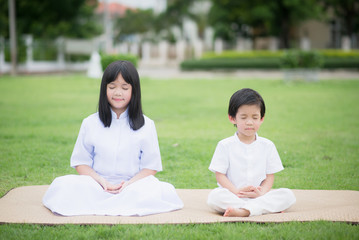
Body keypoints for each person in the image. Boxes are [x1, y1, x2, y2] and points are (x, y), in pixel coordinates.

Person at [43, 60, 183, 216]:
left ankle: (114, 202)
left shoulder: (147, 125)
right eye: (112, 87)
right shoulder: (90, 123)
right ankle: (114, 202)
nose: (118, 93)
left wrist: (129, 184)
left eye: (124, 88)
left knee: (160, 190)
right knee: (63, 185)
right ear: (104, 89)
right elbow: (81, 162)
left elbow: (151, 166)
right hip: (96, 185)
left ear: (134, 90)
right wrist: (102, 182)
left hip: (133, 187)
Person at [207, 88, 296, 217]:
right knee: (214, 197)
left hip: (258, 196)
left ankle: (243, 211)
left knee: (288, 195)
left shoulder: (268, 145)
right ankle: (259, 209)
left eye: (255, 117)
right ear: (232, 118)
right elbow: (220, 175)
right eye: (243, 117)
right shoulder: (225, 145)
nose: (249, 122)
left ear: (262, 118)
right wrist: (236, 191)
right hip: (233, 195)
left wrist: (262, 193)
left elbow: (270, 176)